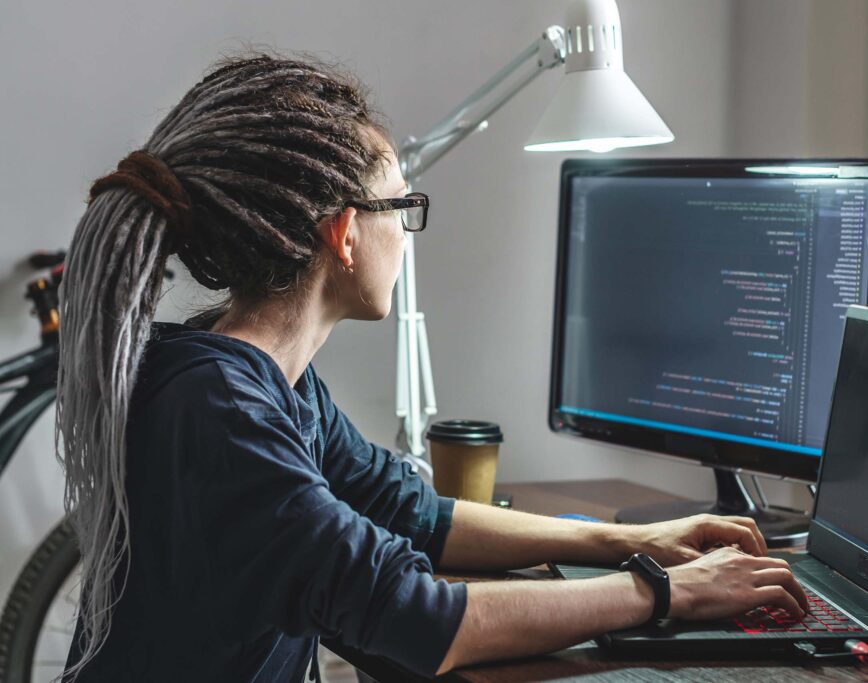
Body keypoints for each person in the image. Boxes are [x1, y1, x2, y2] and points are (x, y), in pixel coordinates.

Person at [55, 54, 808, 683]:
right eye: (402, 207)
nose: (409, 234)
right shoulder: (222, 410)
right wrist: (664, 591)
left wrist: (628, 543)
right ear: (345, 235)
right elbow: (419, 616)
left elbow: (414, 513)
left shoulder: (265, 382)